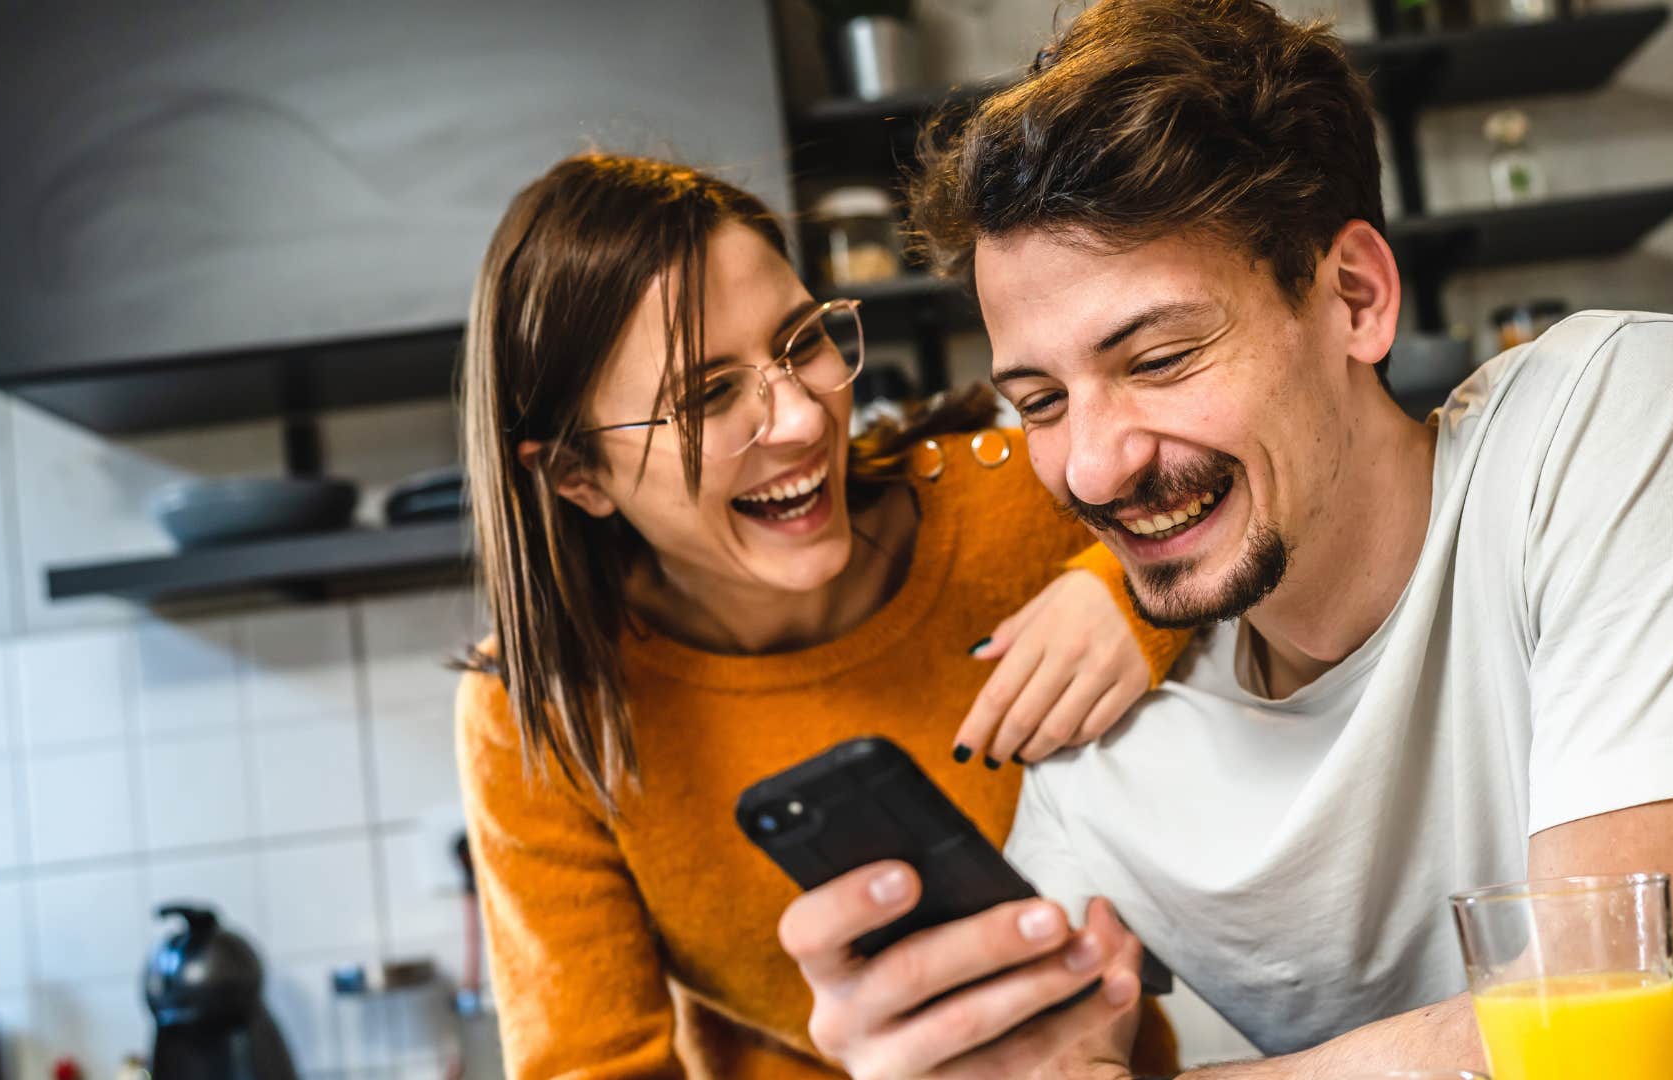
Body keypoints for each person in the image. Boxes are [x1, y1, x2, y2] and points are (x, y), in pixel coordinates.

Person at [777, 1, 1673, 1077]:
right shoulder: (1101, 753)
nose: (1091, 466)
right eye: (1040, 402)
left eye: (1160, 359)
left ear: (1357, 295)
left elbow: (1626, 1045)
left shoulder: (1621, 419)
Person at [452, 154, 1187, 1077]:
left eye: (802, 342)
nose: (801, 419)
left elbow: (1315, 513)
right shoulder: (550, 714)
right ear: (577, 476)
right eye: (706, 396)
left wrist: (1143, 592)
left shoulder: (1023, 506)